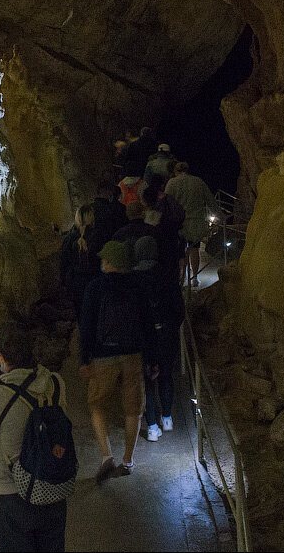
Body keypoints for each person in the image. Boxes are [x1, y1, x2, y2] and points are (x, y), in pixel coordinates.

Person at [0, 322, 68, 552]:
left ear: (0, 356)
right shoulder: (56, 383)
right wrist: (5, 363)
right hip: (53, 487)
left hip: (11, 497)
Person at [78, 240, 155, 481]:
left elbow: (86, 326)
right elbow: (148, 326)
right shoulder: (139, 286)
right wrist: (152, 360)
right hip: (133, 356)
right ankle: (128, 460)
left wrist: (85, 358)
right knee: (133, 410)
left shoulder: (95, 288)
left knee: (97, 405)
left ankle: (106, 456)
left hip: (103, 357)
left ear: (110, 262)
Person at [138, 177, 185, 440]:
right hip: (165, 332)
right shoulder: (166, 279)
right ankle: (167, 418)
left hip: (145, 338)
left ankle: (152, 427)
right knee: (166, 375)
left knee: (147, 380)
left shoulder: (134, 283)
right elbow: (178, 309)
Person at [165, 161, 221, 285]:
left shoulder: (172, 183)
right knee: (194, 249)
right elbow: (210, 200)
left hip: (179, 223)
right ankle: (195, 277)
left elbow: (167, 202)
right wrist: (220, 216)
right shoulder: (198, 182)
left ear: (176, 171)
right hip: (196, 222)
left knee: (181, 250)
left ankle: (182, 277)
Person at [59, 204, 98, 314]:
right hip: (93, 279)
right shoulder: (97, 236)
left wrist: (65, 282)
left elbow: (64, 262)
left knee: (81, 312)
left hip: (76, 281)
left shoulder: (70, 237)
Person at [89, 181, 127, 251]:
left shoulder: (88, 209)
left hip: (92, 246)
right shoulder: (113, 209)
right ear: (108, 192)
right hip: (110, 245)